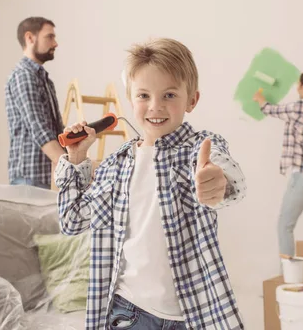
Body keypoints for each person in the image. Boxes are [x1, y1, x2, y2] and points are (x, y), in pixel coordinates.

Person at [54, 38, 247, 329]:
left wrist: (217, 183)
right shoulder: (116, 165)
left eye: (169, 95)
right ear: (130, 100)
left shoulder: (199, 148)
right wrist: (77, 158)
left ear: (191, 100)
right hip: (129, 312)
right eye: (143, 95)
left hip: (191, 314)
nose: (155, 106)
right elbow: (71, 221)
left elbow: (230, 179)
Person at [253, 71, 303, 257]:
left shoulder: (301, 108)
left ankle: (288, 277)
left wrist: (260, 99)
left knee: (285, 225)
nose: (297, 88)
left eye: (299, 84)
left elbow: (271, 110)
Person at [5, 17, 65, 189]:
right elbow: (38, 128)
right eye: (50, 37)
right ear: (30, 38)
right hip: (30, 178)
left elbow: (52, 128)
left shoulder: (43, 78)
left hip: (45, 176)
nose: (55, 43)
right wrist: (68, 167)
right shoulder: (24, 76)